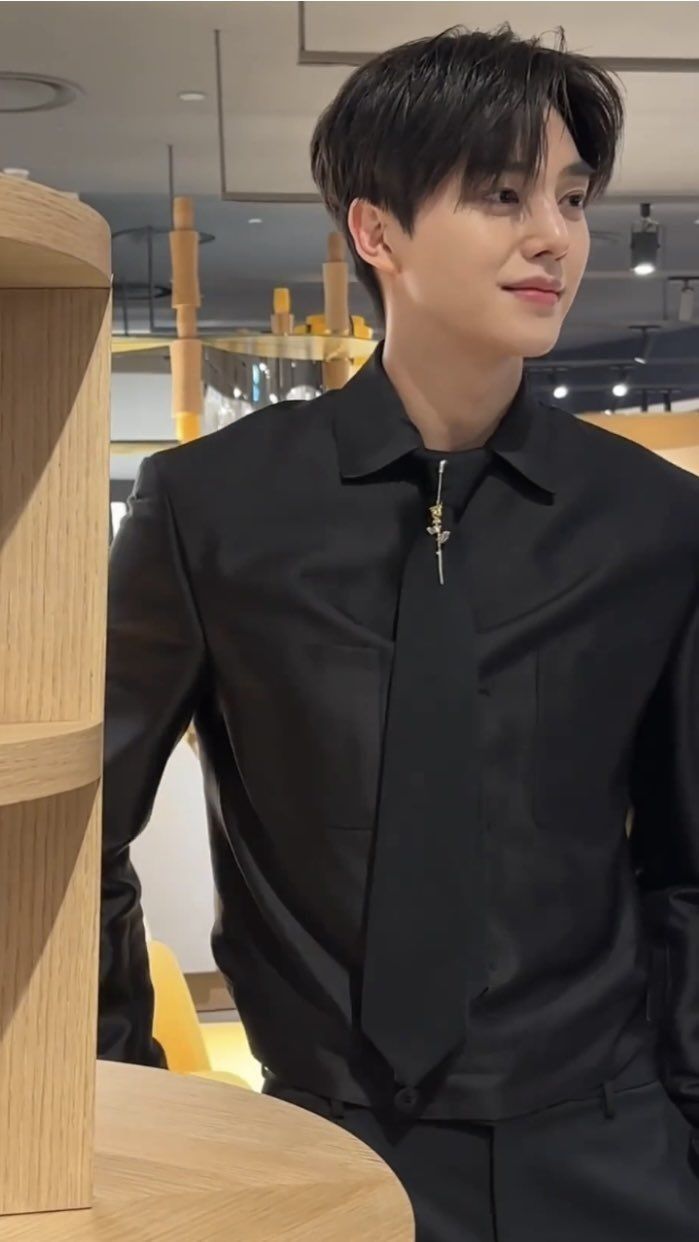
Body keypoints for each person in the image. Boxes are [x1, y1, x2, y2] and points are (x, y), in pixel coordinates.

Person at [100, 24, 699, 1242]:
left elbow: (687, 865)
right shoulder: (214, 510)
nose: (556, 236)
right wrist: (130, 1092)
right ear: (376, 232)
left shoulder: (652, 522)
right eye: (501, 193)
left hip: (615, 1151)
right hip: (323, 1150)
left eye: (574, 198)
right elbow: (73, 841)